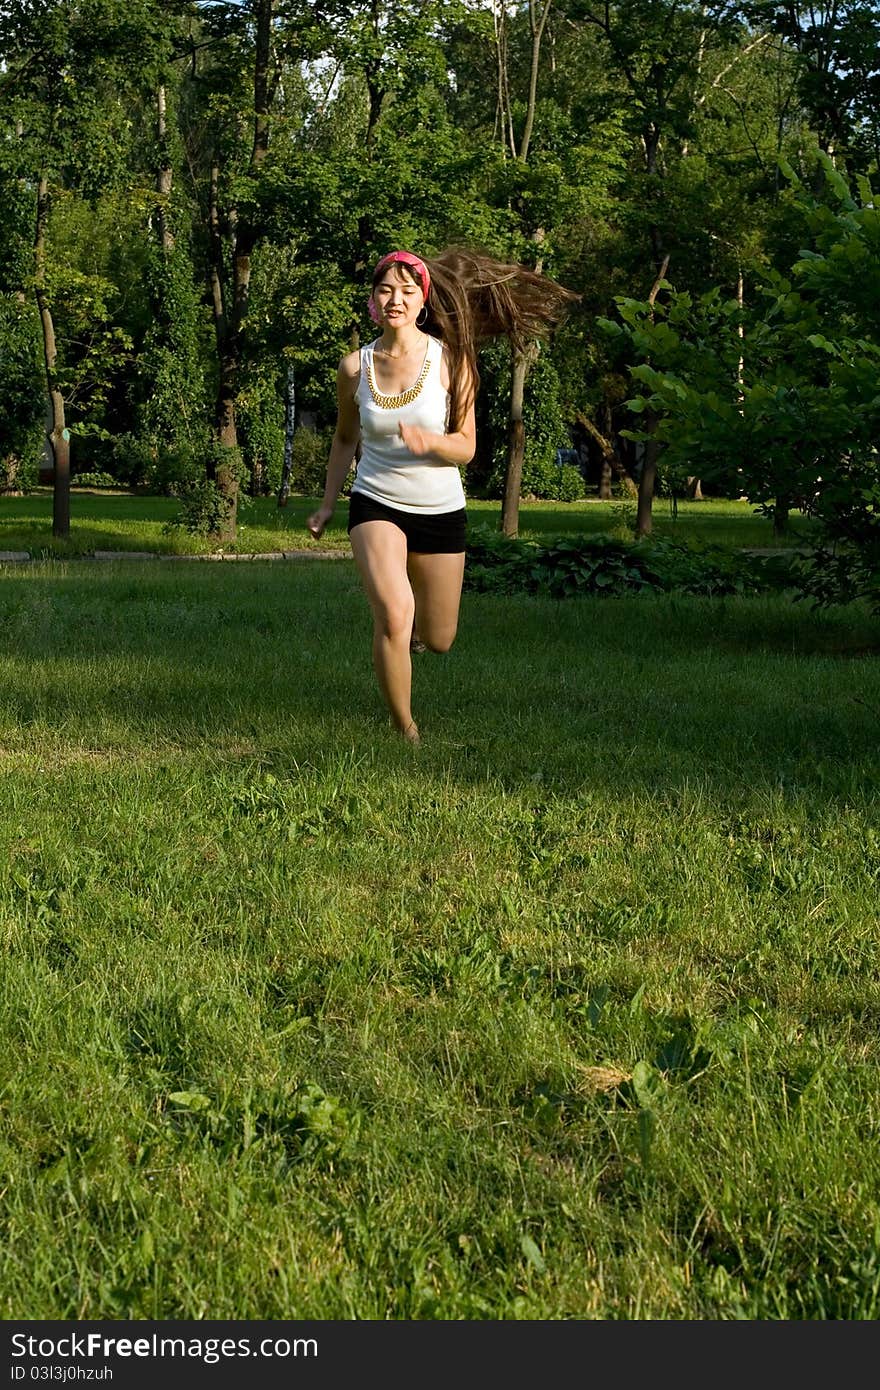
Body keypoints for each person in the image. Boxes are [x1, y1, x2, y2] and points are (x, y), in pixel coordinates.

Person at [307, 247, 577, 744]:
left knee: (439, 638)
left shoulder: (451, 361)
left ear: (422, 300)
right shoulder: (354, 367)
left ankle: (413, 633)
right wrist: (328, 502)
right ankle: (405, 728)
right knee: (392, 613)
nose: (396, 299)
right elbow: (345, 439)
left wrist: (428, 441)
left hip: (439, 509)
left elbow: (467, 447)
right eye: (386, 290)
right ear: (372, 299)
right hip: (376, 501)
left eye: (407, 291)